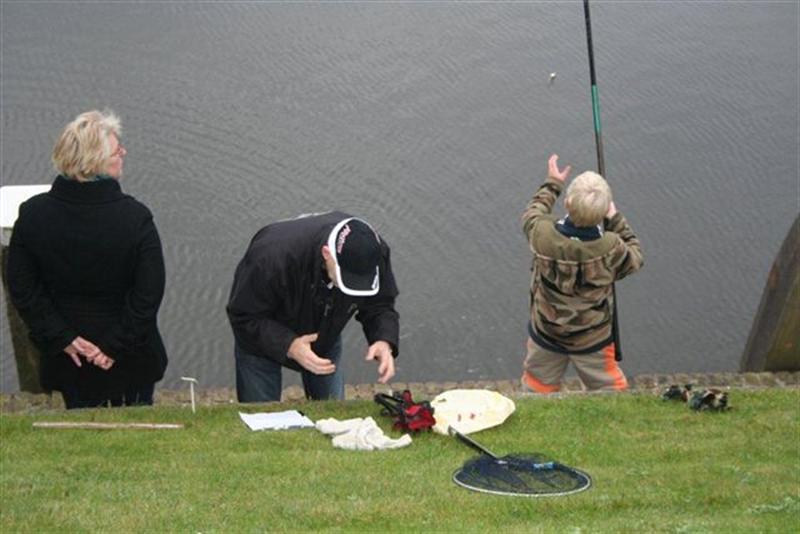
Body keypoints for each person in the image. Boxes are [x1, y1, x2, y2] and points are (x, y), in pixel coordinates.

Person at [7, 110, 168, 409]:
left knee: (78, 415)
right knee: (135, 423)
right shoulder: (135, 218)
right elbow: (148, 292)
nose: (124, 153)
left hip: (69, 358)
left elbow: (22, 287)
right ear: (96, 161)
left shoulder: (32, 215)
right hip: (129, 357)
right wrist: (113, 346)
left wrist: (63, 337)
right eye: (117, 150)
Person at [227, 212, 399, 402]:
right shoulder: (268, 258)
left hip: (325, 333)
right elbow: (244, 316)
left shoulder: (374, 251)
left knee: (332, 408)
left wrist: (383, 339)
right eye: (347, 280)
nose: (353, 287)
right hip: (263, 337)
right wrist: (289, 345)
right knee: (260, 412)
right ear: (327, 254)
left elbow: (379, 302)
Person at [520, 154, 643, 393]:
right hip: (592, 337)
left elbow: (532, 212)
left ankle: (538, 404)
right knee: (609, 390)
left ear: (567, 203)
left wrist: (553, 183)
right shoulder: (611, 249)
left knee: (537, 385)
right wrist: (615, 219)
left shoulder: (542, 234)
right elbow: (635, 256)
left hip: (547, 330)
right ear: (603, 212)